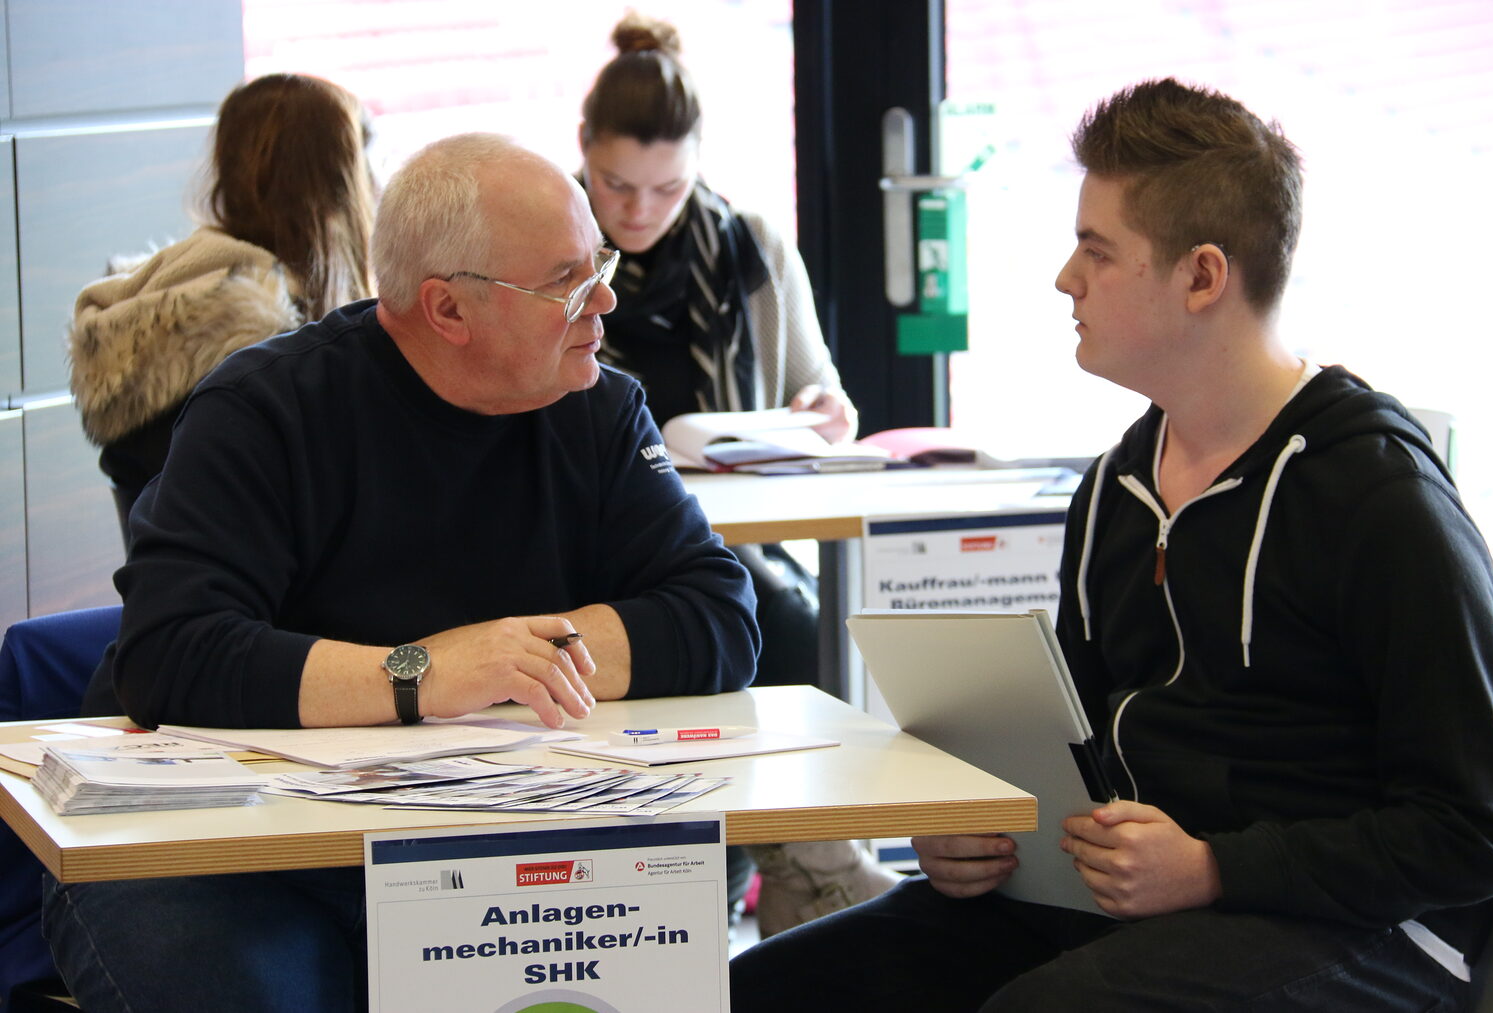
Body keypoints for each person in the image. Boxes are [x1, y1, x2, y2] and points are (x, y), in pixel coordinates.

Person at [730, 78, 1493, 1011]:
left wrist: (1213, 868)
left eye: (1096, 252)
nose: (1066, 278)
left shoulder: (1380, 497)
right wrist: (986, 829)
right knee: (774, 988)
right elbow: (1086, 744)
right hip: (1144, 898)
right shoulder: (1117, 484)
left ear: (1202, 277)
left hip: (1369, 930)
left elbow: (1473, 832)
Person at [44, 133, 759, 1013]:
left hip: (475, 840)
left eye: (600, 261)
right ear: (447, 310)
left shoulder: (598, 406)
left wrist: (518, 659)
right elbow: (172, 655)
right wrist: (425, 672)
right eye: (569, 281)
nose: (605, 298)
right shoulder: (264, 409)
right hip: (229, 852)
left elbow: (720, 614)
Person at [577, 11, 894, 938]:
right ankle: (804, 867)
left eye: (666, 188)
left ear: (698, 164)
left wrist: (822, 416)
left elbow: (826, 399)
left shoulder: (747, 246)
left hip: (723, 534)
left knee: (776, 615)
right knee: (766, 620)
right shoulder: (549, 251)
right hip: (593, 541)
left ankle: (783, 867)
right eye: (615, 185)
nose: (637, 211)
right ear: (583, 154)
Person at [67, 73, 374, 539]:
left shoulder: (169, 295)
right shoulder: (275, 346)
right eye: (364, 162)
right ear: (338, 181)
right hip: (265, 600)